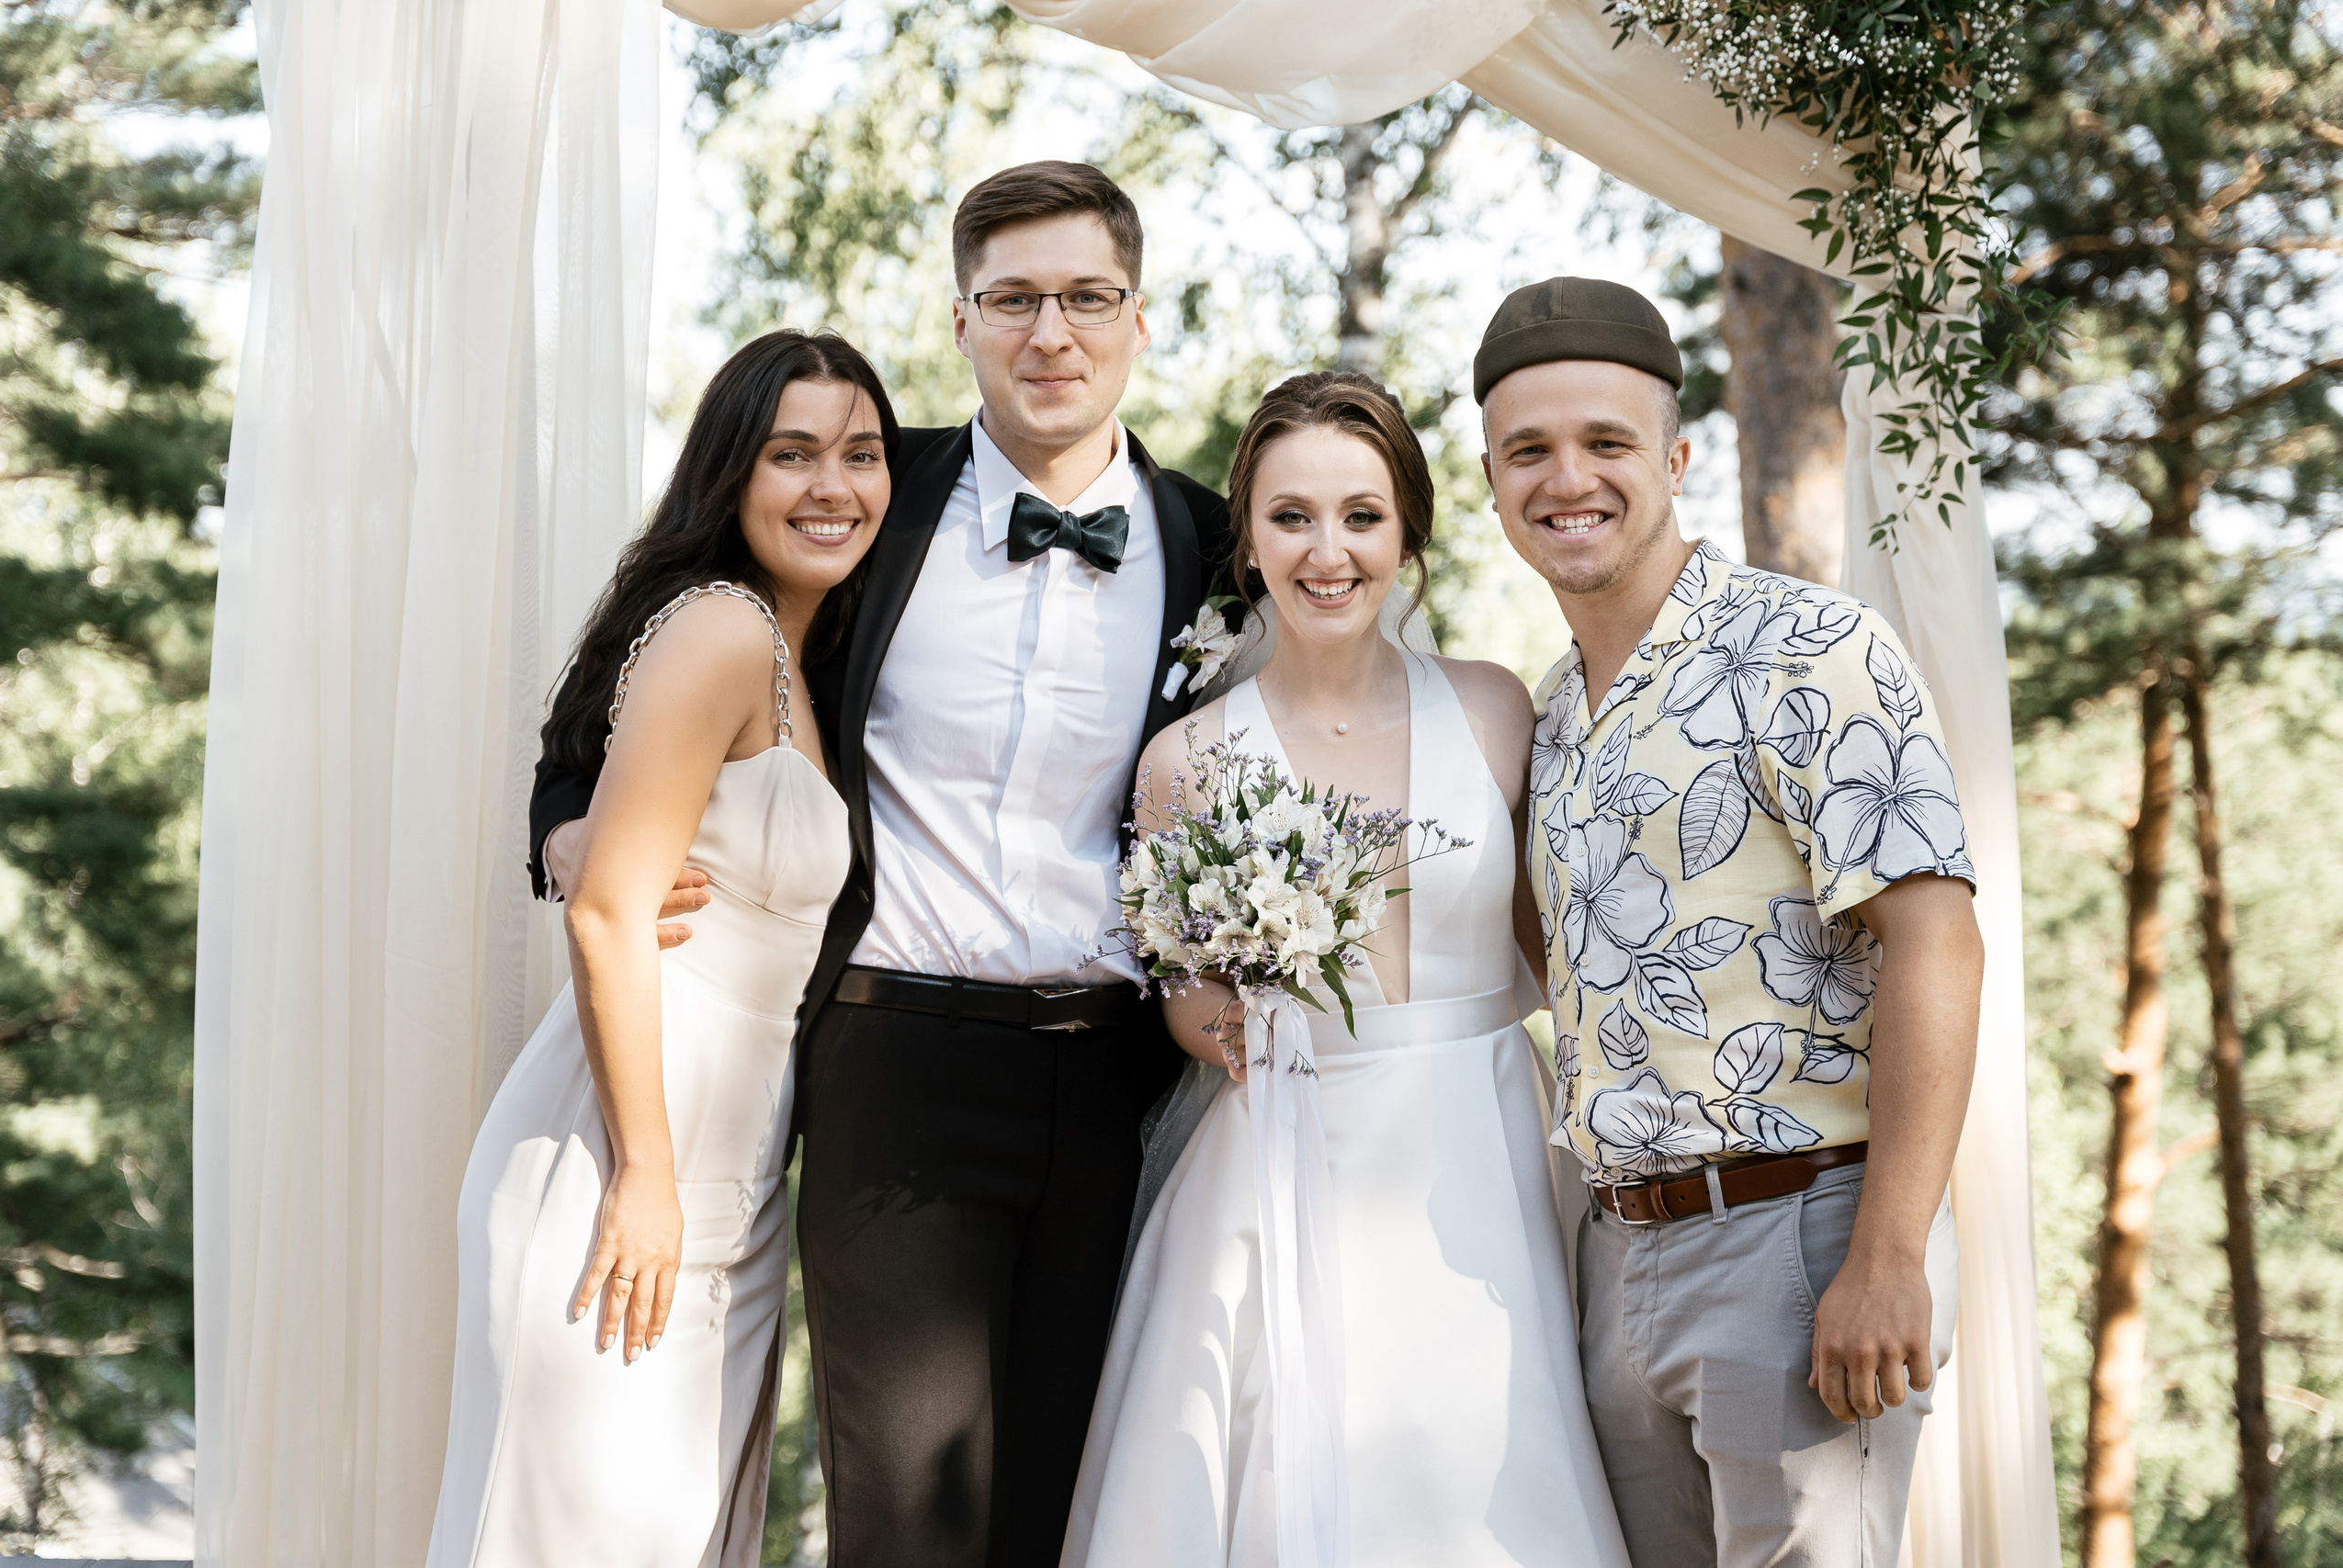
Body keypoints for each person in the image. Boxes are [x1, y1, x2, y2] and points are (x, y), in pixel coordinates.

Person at [526, 163, 1235, 1568]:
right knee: (908, 1518)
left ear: (1139, 321)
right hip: (889, 1061)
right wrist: (569, 837)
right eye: (1013, 299)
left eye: (1087, 297)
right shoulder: (862, 496)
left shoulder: (1211, 541)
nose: (1052, 333)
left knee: (1061, 1499)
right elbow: (620, 685)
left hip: (1114, 1083)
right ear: (963, 320)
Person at [1061, 371, 1635, 1568]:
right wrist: (1243, 1019)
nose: (1329, 552)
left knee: (1487, 1475)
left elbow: (1555, 939)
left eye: (1362, 517)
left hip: (1480, 1157)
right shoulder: (1189, 759)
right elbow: (1179, 994)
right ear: (1250, 540)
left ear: (1408, 533)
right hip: (1282, 1149)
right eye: (1293, 518)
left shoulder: (1494, 711)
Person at [1480, 276, 1983, 1567]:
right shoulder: (1553, 712)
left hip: (1801, 1235)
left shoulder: (1806, 648)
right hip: (1620, 1258)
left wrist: (1886, 1256)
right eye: (1528, 450)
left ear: (1677, 458)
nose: (1567, 479)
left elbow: (1938, 941)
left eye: (1605, 443)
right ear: (1491, 477)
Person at [425, 330, 896, 1566]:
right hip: (621, 1164)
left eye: (861, 452)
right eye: (793, 453)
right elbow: (606, 909)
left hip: (732, 1187)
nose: (831, 484)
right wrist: (643, 1176)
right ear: (732, 474)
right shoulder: (722, 629)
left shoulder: (814, 655)